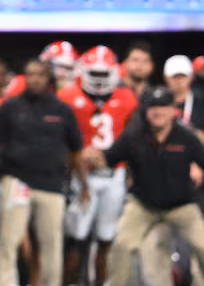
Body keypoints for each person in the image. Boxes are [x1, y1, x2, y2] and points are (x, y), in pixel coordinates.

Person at [0, 59, 86, 286]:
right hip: (17, 180)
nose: (34, 79)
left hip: (52, 184)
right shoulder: (11, 107)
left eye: (39, 75)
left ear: (49, 78)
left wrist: (84, 185)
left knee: (52, 243)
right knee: (8, 239)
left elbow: (76, 151)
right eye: (30, 74)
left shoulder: (63, 110)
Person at [86, 86, 204, 286]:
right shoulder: (133, 136)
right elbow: (107, 159)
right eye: (153, 107)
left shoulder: (187, 137)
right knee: (121, 245)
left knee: (202, 246)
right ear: (145, 111)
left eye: (163, 107)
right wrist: (92, 156)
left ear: (173, 110)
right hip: (143, 205)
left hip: (181, 205)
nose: (158, 112)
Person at [61, 46, 139, 286]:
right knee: (76, 238)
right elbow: (57, 138)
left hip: (114, 174)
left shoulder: (126, 97)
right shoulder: (67, 96)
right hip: (80, 175)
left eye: (104, 74)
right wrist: (77, 156)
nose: (99, 80)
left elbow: (133, 138)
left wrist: (112, 157)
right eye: (95, 73)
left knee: (106, 238)